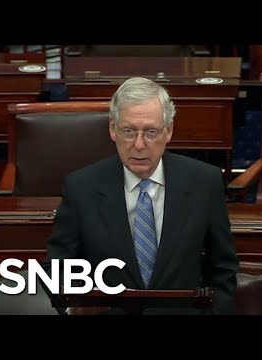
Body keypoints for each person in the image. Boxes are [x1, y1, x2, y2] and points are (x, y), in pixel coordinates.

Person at [41, 76, 238, 315]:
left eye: (151, 132)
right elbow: (58, 267)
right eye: (129, 131)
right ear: (113, 129)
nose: (139, 144)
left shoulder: (204, 182)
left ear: (169, 131)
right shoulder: (81, 187)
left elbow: (223, 267)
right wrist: (74, 309)